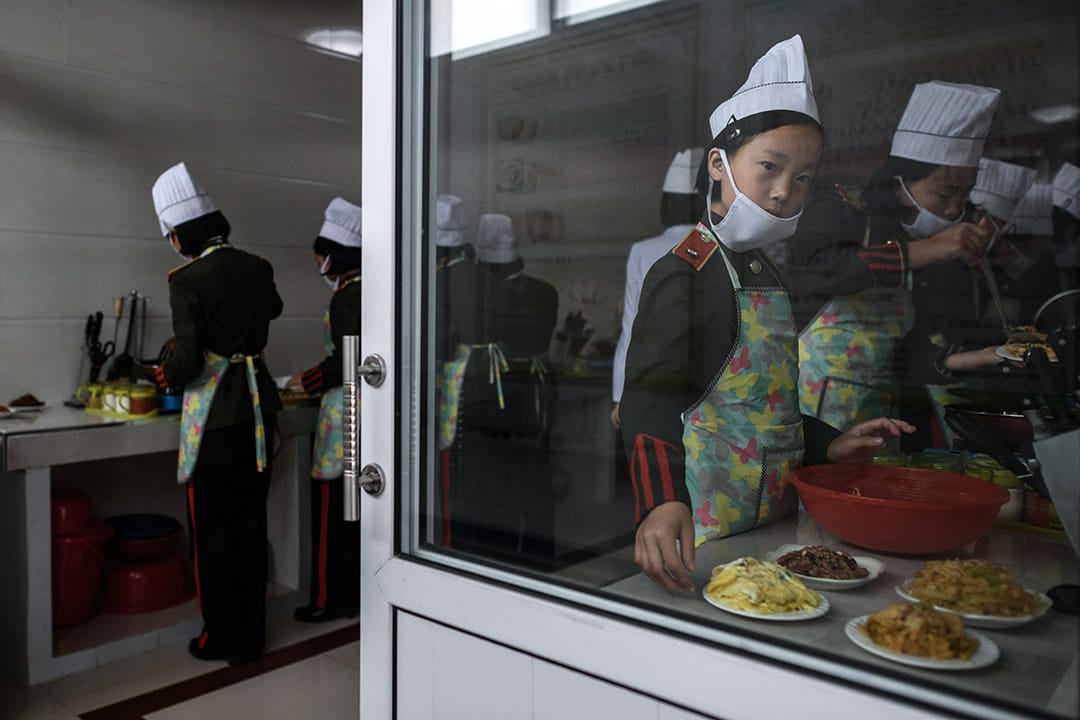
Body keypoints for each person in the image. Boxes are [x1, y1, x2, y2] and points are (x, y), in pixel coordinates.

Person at [620, 35, 914, 592]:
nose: (784, 192)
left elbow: (761, 408)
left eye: (802, 178)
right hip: (704, 530)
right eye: (769, 167)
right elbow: (651, 398)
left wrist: (831, 443)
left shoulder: (764, 273)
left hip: (775, 526)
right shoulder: (684, 272)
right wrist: (660, 503)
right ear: (719, 164)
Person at [783, 81, 1000, 432]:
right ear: (900, 181)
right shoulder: (836, 213)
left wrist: (973, 359)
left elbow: (899, 356)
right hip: (811, 422)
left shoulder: (908, 241)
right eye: (946, 191)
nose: (955, 208)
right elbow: (818, 272)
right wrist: (925, 251)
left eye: (965, 193)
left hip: (878, 422)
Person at [151, 162, 283, 663]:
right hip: (257, 411)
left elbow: (185, 359)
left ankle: (219, 636)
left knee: (211, 531)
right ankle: (252, 635)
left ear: (180, 233)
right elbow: (271, 309)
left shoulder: (187, 279)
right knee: (250, 525)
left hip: (215, 419)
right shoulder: (257, 265)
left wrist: (166, 370)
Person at [450, 213, 560, 563]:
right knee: (537, 476)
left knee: (500, 481)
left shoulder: (492, 296)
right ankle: (540, 555)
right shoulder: (546, 291)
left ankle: (502, 557)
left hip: (503, 391)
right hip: (540, 390)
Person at [286, 198, 362, 623]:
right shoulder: (374, 290)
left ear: (335, 255)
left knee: (333, 508)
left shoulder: (347, 297)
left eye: (320, 255)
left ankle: (329, 599)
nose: (318, 263)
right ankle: (354, 596)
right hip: (368, 410)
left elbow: (345, 361)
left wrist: (307, 379)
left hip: (344, 411)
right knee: (357, 512)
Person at [611, 148, 704, 429]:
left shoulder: (643, 251)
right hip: (709, 382)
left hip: (654, 382)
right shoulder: (713, 246)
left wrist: (620, 395)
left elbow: (631, 325)